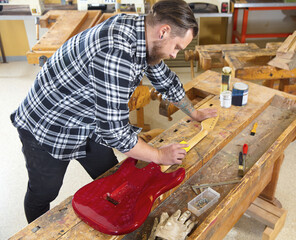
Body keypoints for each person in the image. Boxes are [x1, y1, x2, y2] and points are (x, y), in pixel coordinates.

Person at [10, 0, 217, 223]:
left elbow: (166, 81)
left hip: (89, 120)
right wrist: (159, 155)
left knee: (114, 177)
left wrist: (193, 113)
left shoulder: (144, 34)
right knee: (45, 192)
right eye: (176, 47)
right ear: (164, 31)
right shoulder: (116, 52)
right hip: (48, 124)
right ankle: (34, 234)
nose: (175, 55)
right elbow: (115, 133)